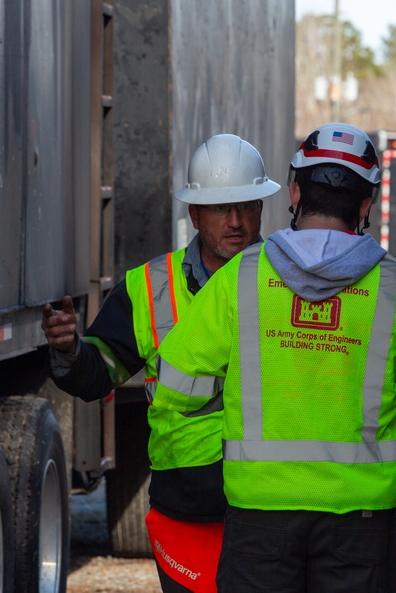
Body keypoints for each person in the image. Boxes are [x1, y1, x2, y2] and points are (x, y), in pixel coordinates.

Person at [152, 122, 396, 592]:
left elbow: (173, 383)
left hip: (258, 520)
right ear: (366, 204)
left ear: (295, 191)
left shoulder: (241, 279)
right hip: (360, 526)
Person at [41, 134, 280, 592]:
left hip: (269, 513)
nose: (235, 221)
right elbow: (99, 374)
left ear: (261, 208)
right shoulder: (149, 288)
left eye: (246, 206)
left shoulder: (288, 283)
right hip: (185, 511)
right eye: (219, 208)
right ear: (194, 214)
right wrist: (70, 350)